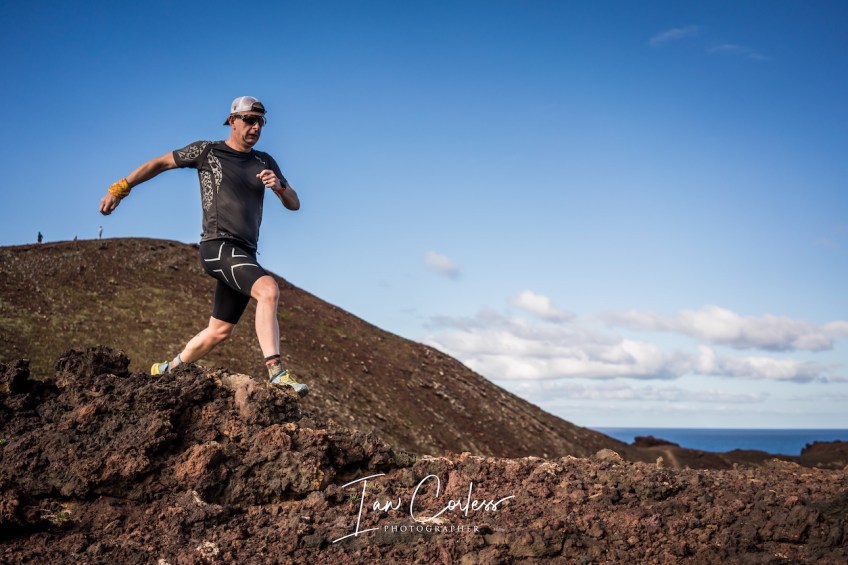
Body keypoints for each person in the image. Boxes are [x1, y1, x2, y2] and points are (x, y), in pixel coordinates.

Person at [98, 96, 308, 396]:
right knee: (268, 289)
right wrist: (120, 188)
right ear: (232, 120)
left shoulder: (265, 161)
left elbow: (294, 204)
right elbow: (159, 163)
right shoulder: (208, 151)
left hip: (244, 253)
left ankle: (168, 369)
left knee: (219, 331)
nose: (256, 127)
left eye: (261, 122)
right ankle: (277, 374)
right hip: (218, 246)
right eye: (249, 120)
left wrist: (280, 187)